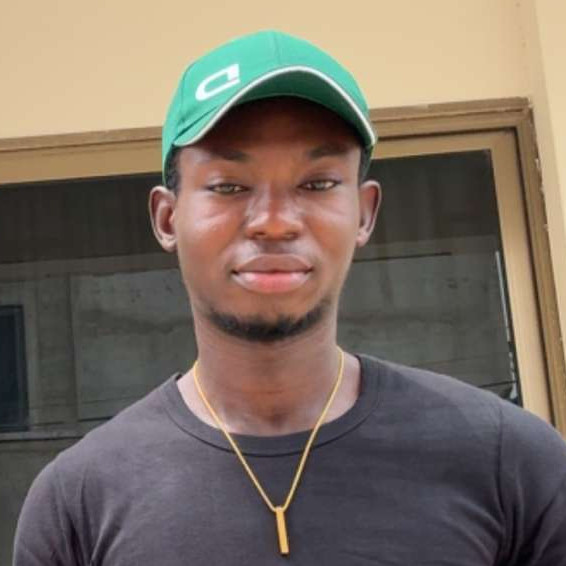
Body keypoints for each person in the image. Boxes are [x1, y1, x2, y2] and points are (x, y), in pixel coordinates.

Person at [13, 30, 566, 565]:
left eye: (317, 184)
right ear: (167, 217)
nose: (274, 222)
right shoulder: (79, 502)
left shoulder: (510, 464)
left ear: (364, 213)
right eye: (229, 186)